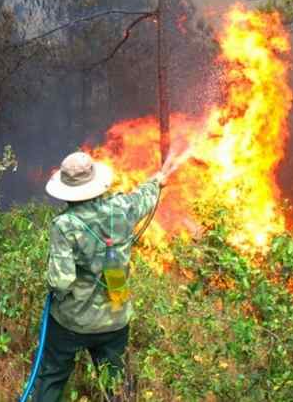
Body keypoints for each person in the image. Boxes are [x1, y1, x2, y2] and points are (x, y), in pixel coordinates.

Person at [33, 148, 182, 401]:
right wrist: (156, 181)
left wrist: (55, 291)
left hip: (73, 322)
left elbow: (61, 281)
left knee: (52, 376)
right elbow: (142, 198)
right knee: (116, 384)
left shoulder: (64, 225)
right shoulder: (121, 209)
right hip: (115, 318)